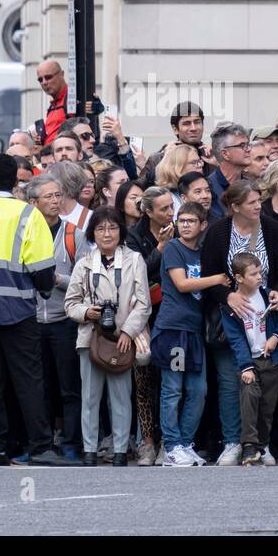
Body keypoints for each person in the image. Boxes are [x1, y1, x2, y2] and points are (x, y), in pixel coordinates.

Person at [0, 153, 64, 466]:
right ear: (17, 180)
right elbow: (42, 267)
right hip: (18, 307)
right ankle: (40, 446)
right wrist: (42, 289)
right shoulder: (27, 215)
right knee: (28, 379)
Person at [200, 179, 278, 466]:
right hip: (230, 317)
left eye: (258, 200)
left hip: (265, 316)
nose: (258, 206)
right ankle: (232, 442)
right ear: (234, 206)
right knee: (232, 382)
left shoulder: (274, 229)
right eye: (251, 202)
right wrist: (228, 296)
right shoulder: (218, 232)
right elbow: (209, 274)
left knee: (264, 388)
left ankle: (260, 444)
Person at [64, 205, 151, 466]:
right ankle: (90, 449)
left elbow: (143, 303)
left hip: (122, 339)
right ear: (93, 233)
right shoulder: (84, 264)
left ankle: (121, 450)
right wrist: (86, 312)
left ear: (121, 231)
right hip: (90, 338)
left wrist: (128, 331)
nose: (107, 233)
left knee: (121, 396)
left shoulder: (134, 260)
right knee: (90, 396)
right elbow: (70, 304)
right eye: (100, 228)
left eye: (113, 227)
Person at [154, 202, 226, 466]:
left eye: (191, 221)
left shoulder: (204, 253)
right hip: (173, 329)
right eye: (181, 220)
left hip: (195, 330)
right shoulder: (173, 248)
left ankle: (185, 443)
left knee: (198, 390)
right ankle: (171, 446)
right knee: (172, 389)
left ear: (202, 225)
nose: (185, 225)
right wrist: (218, 279)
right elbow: (183, 284)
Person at [28, 174, 87, 464]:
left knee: (69, 387)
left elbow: (85, 277)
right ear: (33, 202)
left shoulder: (73, 234)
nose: (54, 201)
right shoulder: (24, 231)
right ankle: (42, 442)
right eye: (48, 196)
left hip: (65, 319)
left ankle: (71, 443)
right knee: (40, 386)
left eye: (57, 195)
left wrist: (56, 279)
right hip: (32, 320)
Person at [220, 251, 278, 466]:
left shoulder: (268, 295)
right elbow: (235, 339)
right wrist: (246, 366)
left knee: (267, 405)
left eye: (260, 272)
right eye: (253, 274)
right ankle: (249, 445)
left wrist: (275, 338)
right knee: (249, 397)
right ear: (239, 278)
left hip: (271, 359)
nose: (259, 277)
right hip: (249, 361)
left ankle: (263, 444)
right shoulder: (232, 305)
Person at [125, 186, 174, 463]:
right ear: (148, 211)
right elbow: (138, 274)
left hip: (172, 314)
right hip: (143, 314)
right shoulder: (133, 236)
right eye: (164, 209)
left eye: (171, 207)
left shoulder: (181, 227)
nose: (170, 213)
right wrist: (160, 248)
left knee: (170, 379)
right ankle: (147, 441)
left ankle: (170, 438)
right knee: (143, 379)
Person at [208, 123, 250, 221]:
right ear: (225, 154)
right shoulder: (207, 188)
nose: (248, 149)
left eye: (248, 144)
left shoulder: (251, 186)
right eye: (242, 145)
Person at [36, 60, 70, 146]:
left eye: (48, 77)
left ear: (62, 74)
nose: (44, 82)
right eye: (40, 80)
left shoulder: (73, 99)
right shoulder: (53, 105)